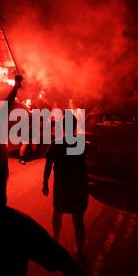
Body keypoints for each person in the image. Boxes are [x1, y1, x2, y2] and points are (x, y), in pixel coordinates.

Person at [42, 112, 88, 262]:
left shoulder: (56, 143)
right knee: (78, 219)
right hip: (78, 187)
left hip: (62, 186)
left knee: (58, 213)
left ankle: (55, 243)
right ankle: (80, 251)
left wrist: (45, 183)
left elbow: (48, 165)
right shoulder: (80, 143)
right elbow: (84, 166)